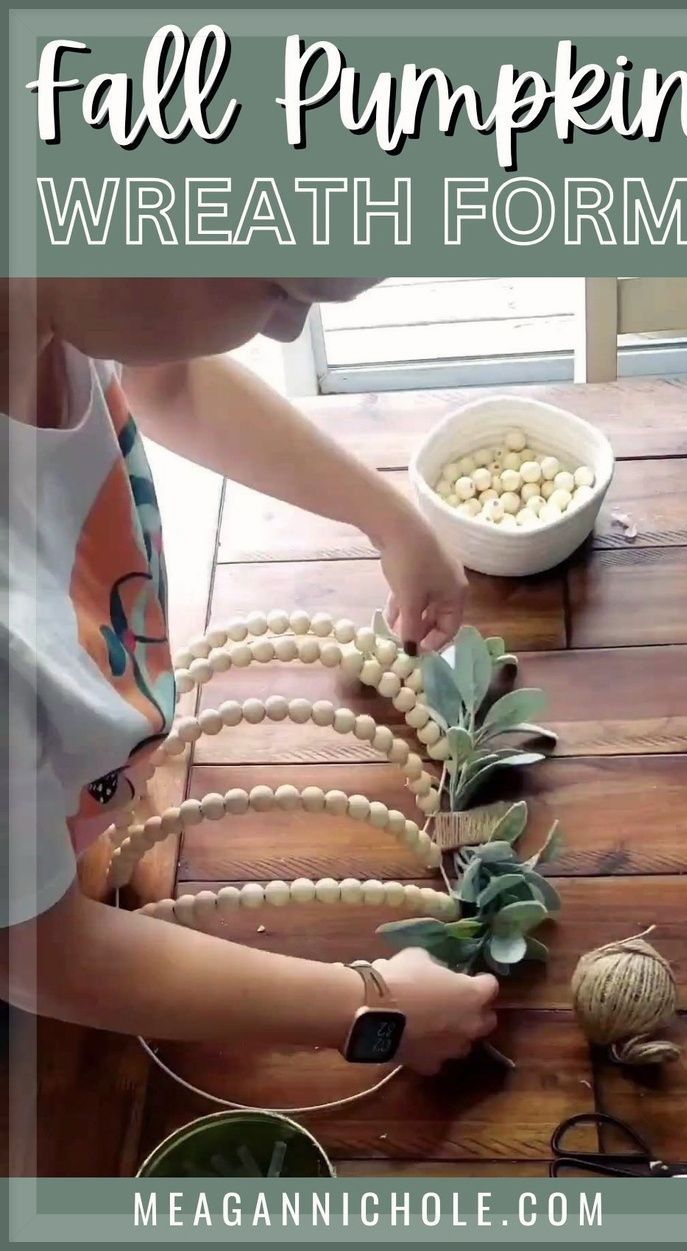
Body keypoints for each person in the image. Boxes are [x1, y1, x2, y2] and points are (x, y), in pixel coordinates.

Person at [1, 277, 498, 1077]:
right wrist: (369, 1006)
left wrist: (389, 517)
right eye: (277, 283)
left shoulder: (57, 304)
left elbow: (170, 380)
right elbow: (36, 950)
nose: (292, 323)